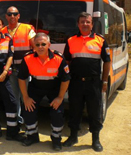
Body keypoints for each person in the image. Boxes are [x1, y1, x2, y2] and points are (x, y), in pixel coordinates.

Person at [63, 12, 111, 152]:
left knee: (94, 111)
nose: (85, 24)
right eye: (82, 22)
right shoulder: (70, 40)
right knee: (74, 110)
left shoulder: (100, 40)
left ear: (92, 24)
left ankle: (95, 139)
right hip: (75, 83)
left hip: (94, 83)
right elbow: (67, 62)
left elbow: (107, 62)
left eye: (87, 22)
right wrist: (66, 80)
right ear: (78, 24)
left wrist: (104, 82)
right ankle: (73, 137)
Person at [18, 33, 70, 150]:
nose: (40, 47)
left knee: (57, 113)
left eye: (43, 44)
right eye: (37, 44)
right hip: (36, 86)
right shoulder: (27, 58)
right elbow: (21, 78)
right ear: (33, 46)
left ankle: (56, 139)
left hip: (54, 88)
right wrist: (25, 97)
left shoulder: (59, 58)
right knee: (28, 109)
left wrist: (60, 98)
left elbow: (66, 80)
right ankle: (32, 136)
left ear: (49, 45)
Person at [1, 6, 36, 124]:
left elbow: (35, 47)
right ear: (6, 16)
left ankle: (27, 122)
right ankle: (16, 121)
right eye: (9, 14)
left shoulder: (27, 29)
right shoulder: (2, 31)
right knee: (14, 97)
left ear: (19, 16)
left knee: (25, 97)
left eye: (15, 14)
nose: (12, 16)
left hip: (24, 70)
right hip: (10, 70)